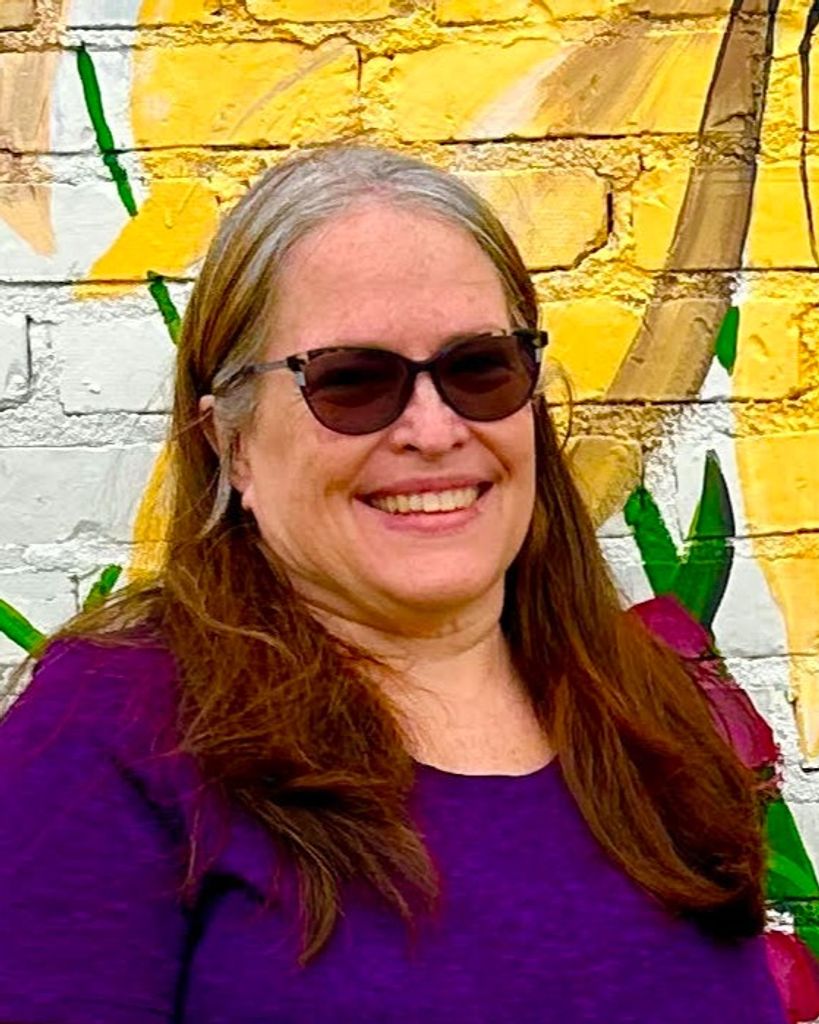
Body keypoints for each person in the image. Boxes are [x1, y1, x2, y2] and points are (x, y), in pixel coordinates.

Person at [0, 144, 787, 1024]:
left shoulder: (644, 709)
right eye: (352, 381)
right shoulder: (113, 732)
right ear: (232, 444)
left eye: (478, 367)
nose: (433, 430)